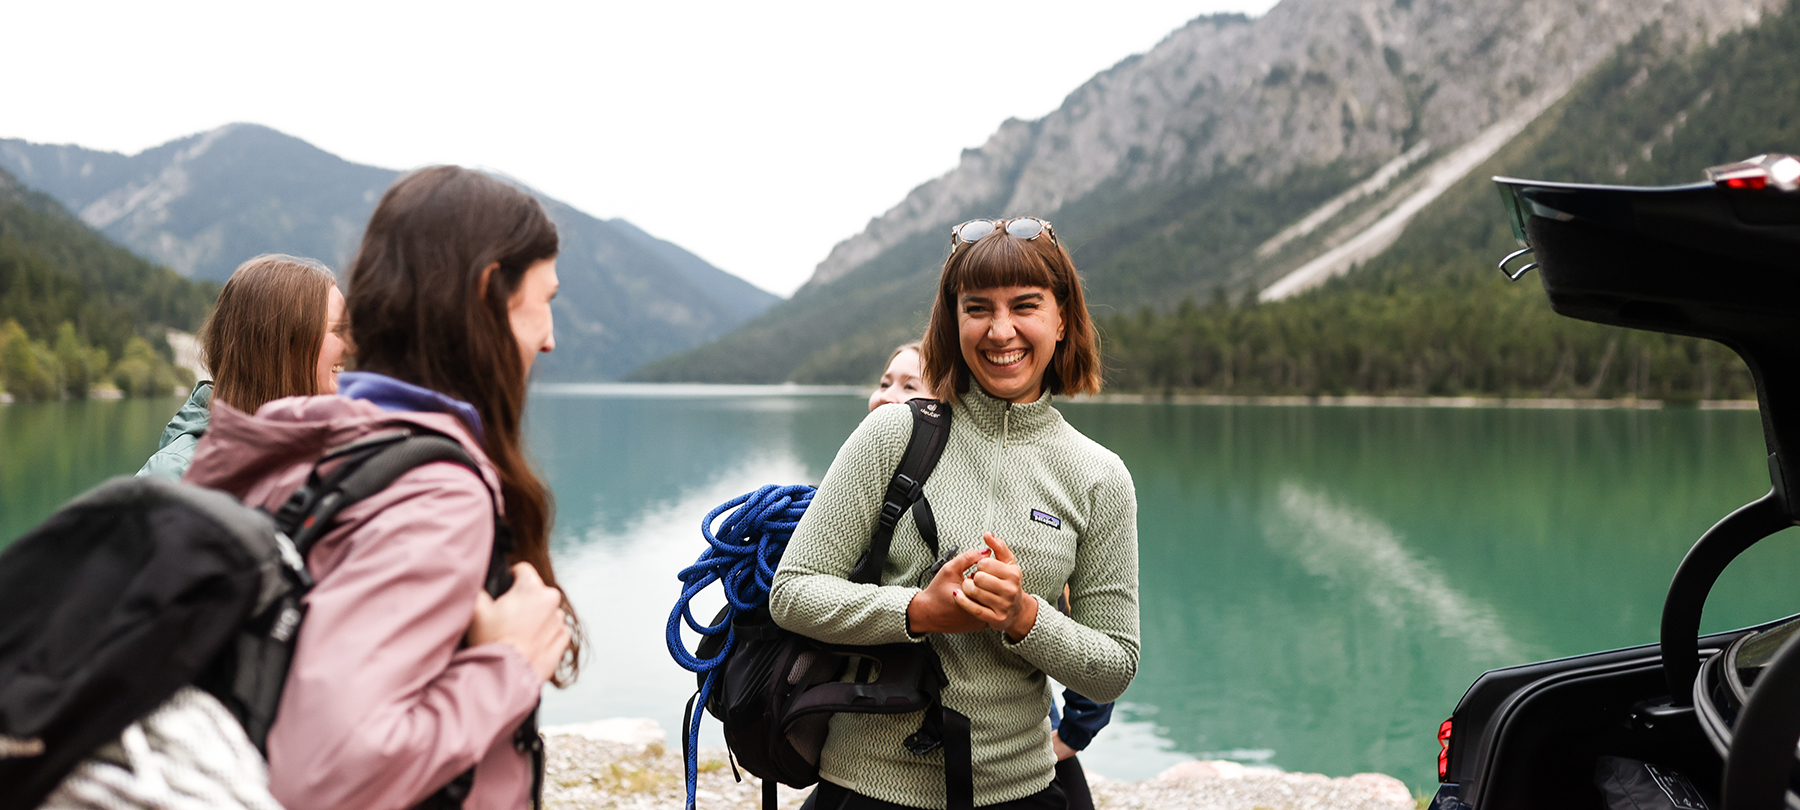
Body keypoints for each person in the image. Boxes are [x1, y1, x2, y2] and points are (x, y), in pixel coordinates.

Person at [183, 166, 577, 810]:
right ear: (489, 288)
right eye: (546, 299)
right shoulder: (433, 493)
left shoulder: (295, 439)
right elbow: (319, 777)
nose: (550, 338)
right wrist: (510, 664)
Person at [772, 216, 1139, 810]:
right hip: (866, 788)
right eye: (977, 308)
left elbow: (1113, 667)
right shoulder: (893, 433)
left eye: (1025, 306)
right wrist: (920, 610)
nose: (1000, 331)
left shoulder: (1099, 475)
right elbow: (791, 593)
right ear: (954, 318)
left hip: (1019, 792)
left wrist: (1024, 616)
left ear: (1062, 318)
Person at [864, 340, 1115, 810]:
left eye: (909, 385)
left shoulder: (1003, 498)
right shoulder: (874, 472)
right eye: (884, 383)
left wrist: (1070, 738)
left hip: (1017, 749)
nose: (888, 396)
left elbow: (1096, 647)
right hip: (879, 749)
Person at [136, 254, 348, 480]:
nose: (354, 345)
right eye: (339, 330)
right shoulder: (174, 478)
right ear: (280, 348)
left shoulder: (335, 457)